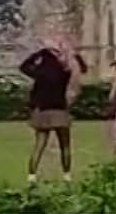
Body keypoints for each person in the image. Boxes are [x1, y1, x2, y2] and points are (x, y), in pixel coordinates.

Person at [20, 39, 85, 183]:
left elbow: (23, 67)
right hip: (59, 111)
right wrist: (75, 55)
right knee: (65, 146)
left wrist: (39, 53)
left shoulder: (39, 73)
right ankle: (66, 175)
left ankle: (32, 175)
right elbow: (81, 69)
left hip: (43, 111)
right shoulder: (63, 72)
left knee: (39, 145)